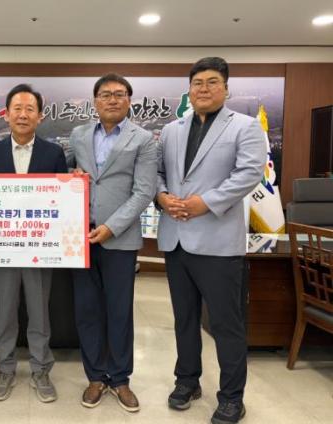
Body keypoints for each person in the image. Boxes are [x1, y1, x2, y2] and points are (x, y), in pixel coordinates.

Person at [156, 57, 266, 424]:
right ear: (189, 90)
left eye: (212, 82)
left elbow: (248, 173)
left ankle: (232, 397)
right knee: (184, 319)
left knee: (225, 324)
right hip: (176, 239)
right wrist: (161, 196)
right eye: (198, 83)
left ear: (226, 88)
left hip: (218, 242)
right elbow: (157, 172)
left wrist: (206, 203)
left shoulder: (246, 127)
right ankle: (187, 381)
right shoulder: (171, 130)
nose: (204, 88)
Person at [69, 73, 157, 413]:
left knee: (119, 311)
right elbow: (71, 176)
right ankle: (95, 377)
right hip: (79, 236)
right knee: (87, 310)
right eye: (105, 94)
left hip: (119, 238)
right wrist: (72, 177)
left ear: (129, 101)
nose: (112, 99)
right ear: (95, 101)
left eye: (120, 94)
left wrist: (111, 227)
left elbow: (144, 192)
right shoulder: (78, 135)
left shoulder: (143, 139)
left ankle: (120, 379)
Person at [0, 84, 67, 403]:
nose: (23, 114)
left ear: (40, 116)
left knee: (39, 313)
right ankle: (5, 368)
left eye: (30, 109)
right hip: (3, 248)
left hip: (40, 249)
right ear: (6, 114)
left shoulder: (53, 153)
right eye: (17, 108)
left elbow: (62, 203)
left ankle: (41, 369)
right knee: (4, 312)